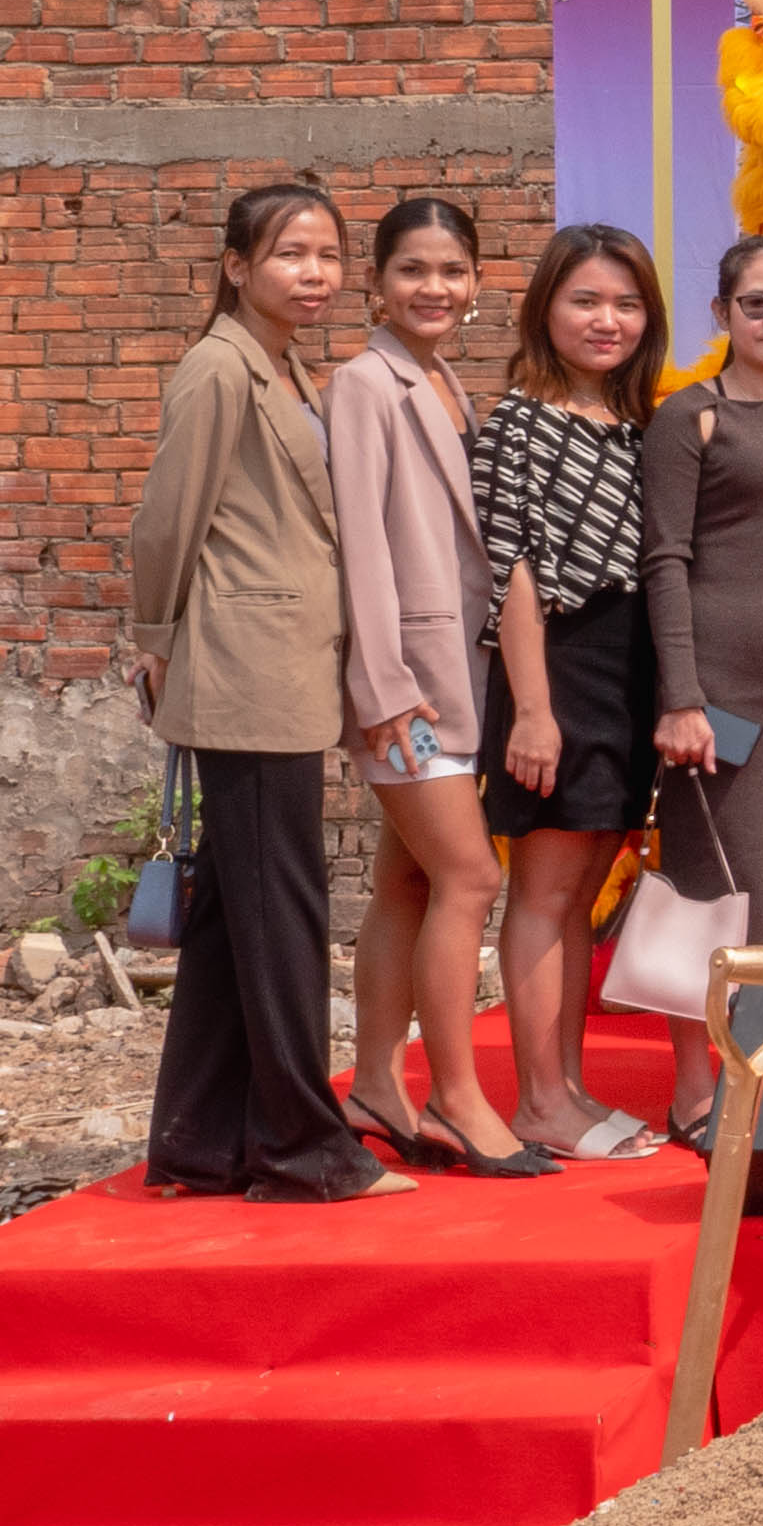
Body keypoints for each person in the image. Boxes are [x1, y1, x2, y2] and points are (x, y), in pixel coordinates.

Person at [129, 185, 406, 1202]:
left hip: (282, 660)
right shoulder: (218, 366)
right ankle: (304, 1146)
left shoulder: (281, 366)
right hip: (242, 666)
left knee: (231, 914)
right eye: (292, 253)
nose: (316, 272)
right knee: (283, 904)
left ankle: (200, 1143)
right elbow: (168, 516)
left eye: (329, 254)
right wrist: (155, 636)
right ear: (238, 266)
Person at [322, 195, 545, 1178]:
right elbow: (360, 543)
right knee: (471, 875)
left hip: (456, 674)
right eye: (414, 270)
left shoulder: (444, 379)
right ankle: (455, 1096)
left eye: (453, 271)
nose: (435, 288)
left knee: (407, 878)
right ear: (376, 282)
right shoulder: (365, 384)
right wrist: (381, 685)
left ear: (480, 283)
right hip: (407, 684)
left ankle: (378, 1079)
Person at [475, 224, 671, 1164]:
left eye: (626, 304)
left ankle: (569, 1087)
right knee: (546, 891)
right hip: (555, 661)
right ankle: (540, 1102)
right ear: (545, 307)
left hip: (625, 668)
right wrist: (536, 708)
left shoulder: (634, 425)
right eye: (586, 300)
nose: (607, 320)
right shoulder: (517, 421)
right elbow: (507, 567)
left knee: (588, 881)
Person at [643, 236, 763, 1147]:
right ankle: (694, 1094)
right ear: (721, 313)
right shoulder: (692, 418)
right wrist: (680, 697)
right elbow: (666, 561)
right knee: (706, 892)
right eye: (757, 304)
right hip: (715, 695)